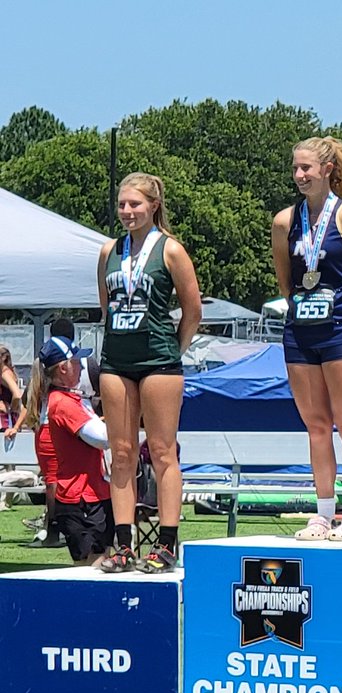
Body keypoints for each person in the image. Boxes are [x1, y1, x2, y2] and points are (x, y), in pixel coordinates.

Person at [271, 136, 342, 542]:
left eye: (307, 168)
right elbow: (286, 281)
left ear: (328, 170)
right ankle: (322, 513)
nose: (300, 175)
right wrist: (301, 310)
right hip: (301, 332)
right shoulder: (285, 221)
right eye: (296, 168)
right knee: (316, 426)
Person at [96, 173, 202, 574]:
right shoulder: (109, 250)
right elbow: (106, 309)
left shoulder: (170, 250)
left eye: (135, 204)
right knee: (121, 454)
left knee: (161, 451)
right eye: (122, 204)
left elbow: (192, 311)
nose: (127, 212)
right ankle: (123, 544)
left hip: (159, 361)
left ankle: (167, 542)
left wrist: (175, 348)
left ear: (153, 205)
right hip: (116, 361)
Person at [40, 337, 113, 566]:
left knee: (98, 562)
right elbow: (103, 438)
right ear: (63, 368)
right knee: (91, 567)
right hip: (81, 497)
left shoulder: (73, 398)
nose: (82, 367)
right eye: (77, 362)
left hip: (92, 493)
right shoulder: (63, 403)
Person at [0, 345, 23, 434]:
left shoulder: (5, 374)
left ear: (3, 358)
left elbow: (17, 395)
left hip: (5, 421)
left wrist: (11, 408)